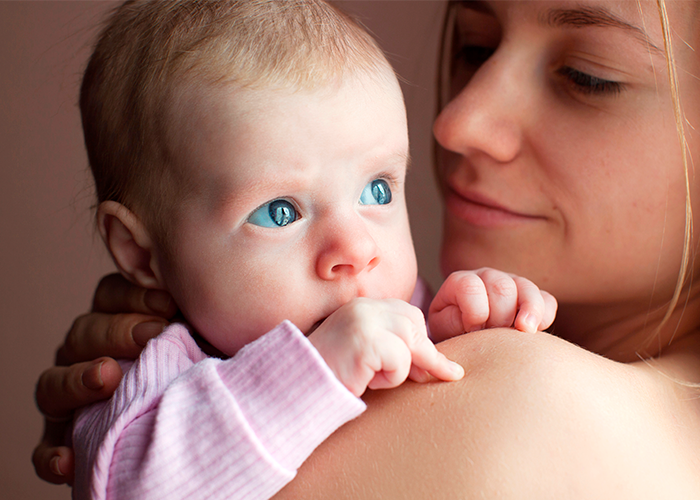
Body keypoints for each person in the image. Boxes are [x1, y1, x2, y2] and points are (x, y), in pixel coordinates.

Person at [35, 0, 700, 497]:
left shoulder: (523, 407)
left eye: (589, 76)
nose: (455, 121)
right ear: (140, 253)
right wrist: (452, 325)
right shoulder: (158, 370)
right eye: (473, 46)